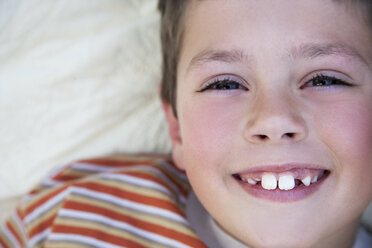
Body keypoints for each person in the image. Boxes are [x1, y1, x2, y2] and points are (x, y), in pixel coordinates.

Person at [1, 0, 372, 247]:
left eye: (326, 79)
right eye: (225, 83)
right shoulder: (79, 210)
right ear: (176, 128)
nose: (274, 119)